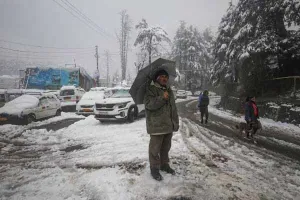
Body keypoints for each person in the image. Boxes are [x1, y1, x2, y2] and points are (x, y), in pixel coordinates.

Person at [144, 69, 179, 181]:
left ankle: (164, 164)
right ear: (157, 78)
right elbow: (149, 105)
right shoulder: (151, 89)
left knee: (166, 148)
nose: (165, 79)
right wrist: (162, 98)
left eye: (166, 77)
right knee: (154, 149)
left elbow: (173, 108)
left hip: (168, 125)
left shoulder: (169, 90)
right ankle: (154, 168)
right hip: (157, 126)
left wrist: (175, 122)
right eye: (162, 76)